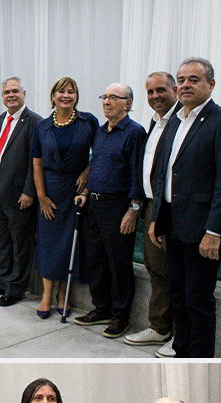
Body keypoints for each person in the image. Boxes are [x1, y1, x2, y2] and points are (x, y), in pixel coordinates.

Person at [148, 57, 221, 358]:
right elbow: (164, 172)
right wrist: (156, 219)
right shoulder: (176, 120)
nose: (186, 85)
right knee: (178, 294)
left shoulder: (217, 121)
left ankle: (199, 359)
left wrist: (215, 231)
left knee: (198, 302)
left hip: (202, 229)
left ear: (211, 84)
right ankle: (181, 350)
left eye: (194, 79)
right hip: (173, 225)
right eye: (182, 79)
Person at [72, 84, 146, 339]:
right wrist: (84, 191)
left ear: (128, 103)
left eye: (114, 98)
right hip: (93, 203)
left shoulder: (135, 132)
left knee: (118, 264)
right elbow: (96, 164)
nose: (107, 102)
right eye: (104, 97)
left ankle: (120, 316)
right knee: (96, 259)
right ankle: (100, 307)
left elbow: (137, 173)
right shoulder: (101, 131)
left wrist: (133, 209)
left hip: (118, 206)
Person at [124, 72, 180, 356]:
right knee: (156, 268)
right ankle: (160, 328)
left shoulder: (182, 121)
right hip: (149, 204)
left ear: (174, 89)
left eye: (161, 90)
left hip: (171, 208)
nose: (155, 96)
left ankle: (181, 337)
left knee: (176, 272)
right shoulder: (156, 123)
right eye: (150, 92)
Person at [32, 77, 99, 319]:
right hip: (49, 190)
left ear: (76, 97)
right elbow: (37, 164)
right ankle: (46, 296)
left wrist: (86, 173)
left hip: (76, 190)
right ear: (53, 97)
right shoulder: (41, 126)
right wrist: (41, 196)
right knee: (49, 243)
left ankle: (64, 294)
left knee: (70, 243)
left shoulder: (88, 121)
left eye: (71, 92)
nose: (66, 96)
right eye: (61, 92)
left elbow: (100, 153)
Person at [0, 77, 42, 307]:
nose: (11, 95)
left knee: (20, 243)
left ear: (24, 93)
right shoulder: (1, 119)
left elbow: (34, 161)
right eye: (6, 92)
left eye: (15, 91)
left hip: (19, 194)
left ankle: (16, 288)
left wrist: (29, 191)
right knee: (2, 240)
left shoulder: (35, 122)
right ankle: (2, 281)